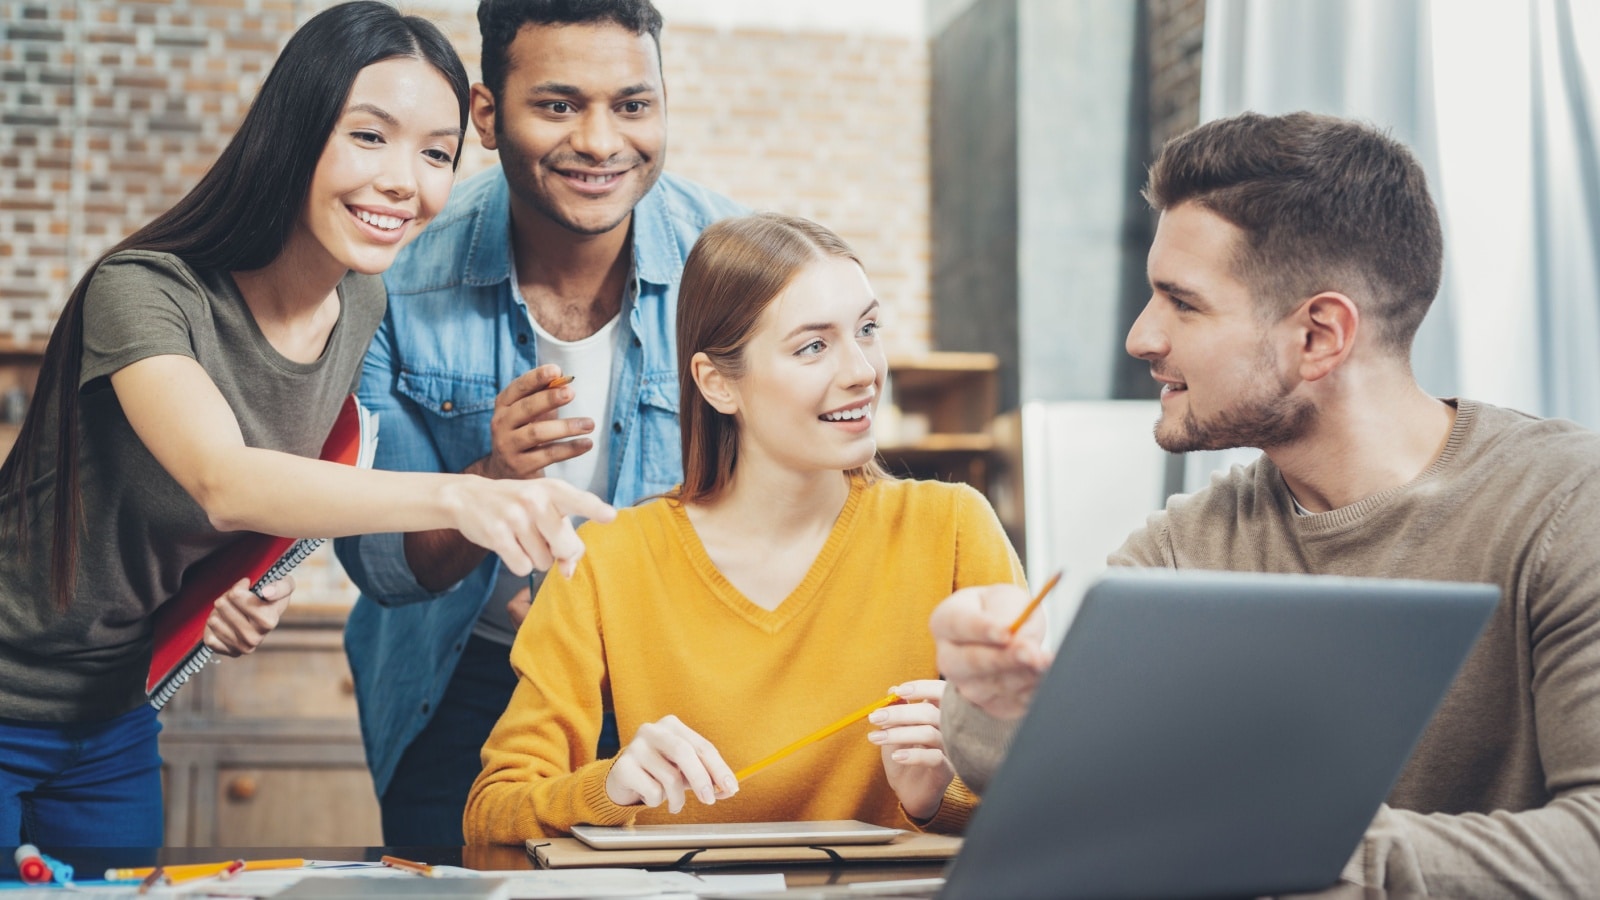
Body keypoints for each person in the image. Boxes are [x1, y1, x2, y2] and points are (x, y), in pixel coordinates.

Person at [929, 111, 1600, 897]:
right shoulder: (1183, 550)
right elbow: (1056, 783)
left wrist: (1299, 844)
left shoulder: (1567, 508)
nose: (1142, 337)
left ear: (1318, 336)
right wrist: (993, 697)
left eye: (1182, 302)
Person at [0, 1, 611, 847]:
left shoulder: (358, 302)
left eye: (437, 153)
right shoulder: (144, 290)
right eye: (370, 136)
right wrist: (463, 498)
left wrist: (207, 599)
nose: (408, 180)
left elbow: (214, 521)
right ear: (294, 130)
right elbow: (222, 480)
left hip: (112, 718)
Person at [461, 213, 1024, 843]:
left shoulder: (951, 527)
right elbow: (492, 812)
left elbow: (1045, 804)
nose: (863, 370)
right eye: (814, 346)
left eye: (867, 330)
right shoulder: (606, 558)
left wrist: (934, 799)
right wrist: (609, 785)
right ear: (717, 383)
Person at [332, 0, 743, 846]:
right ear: (487, 115)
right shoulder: (394, 274)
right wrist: (491, 482)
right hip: (465, 682)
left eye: (632, 105)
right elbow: (383, 566)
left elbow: (795, 492)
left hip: (681, 681)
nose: (600, 141)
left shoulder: (731, 264)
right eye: (558, 105)